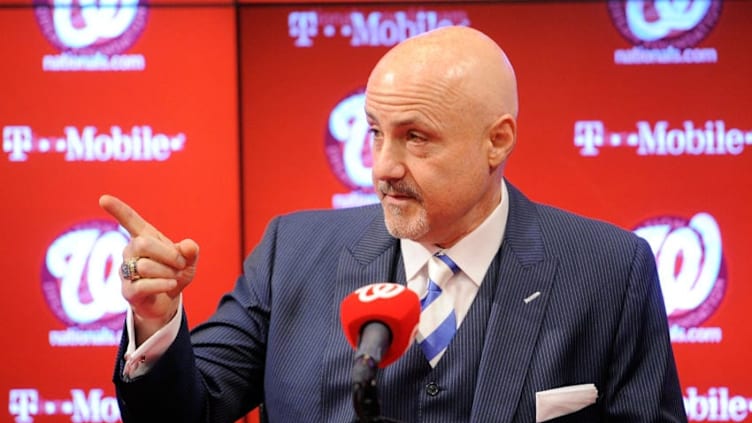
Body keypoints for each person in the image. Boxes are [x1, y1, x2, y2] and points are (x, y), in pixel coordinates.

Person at [101, 26, 688, 422]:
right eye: (376, 131)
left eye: (416, 137)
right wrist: (156, 321)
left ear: (497, 141)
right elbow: (188, 410)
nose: (383, 167)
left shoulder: (610, 270)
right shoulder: (292, 252)